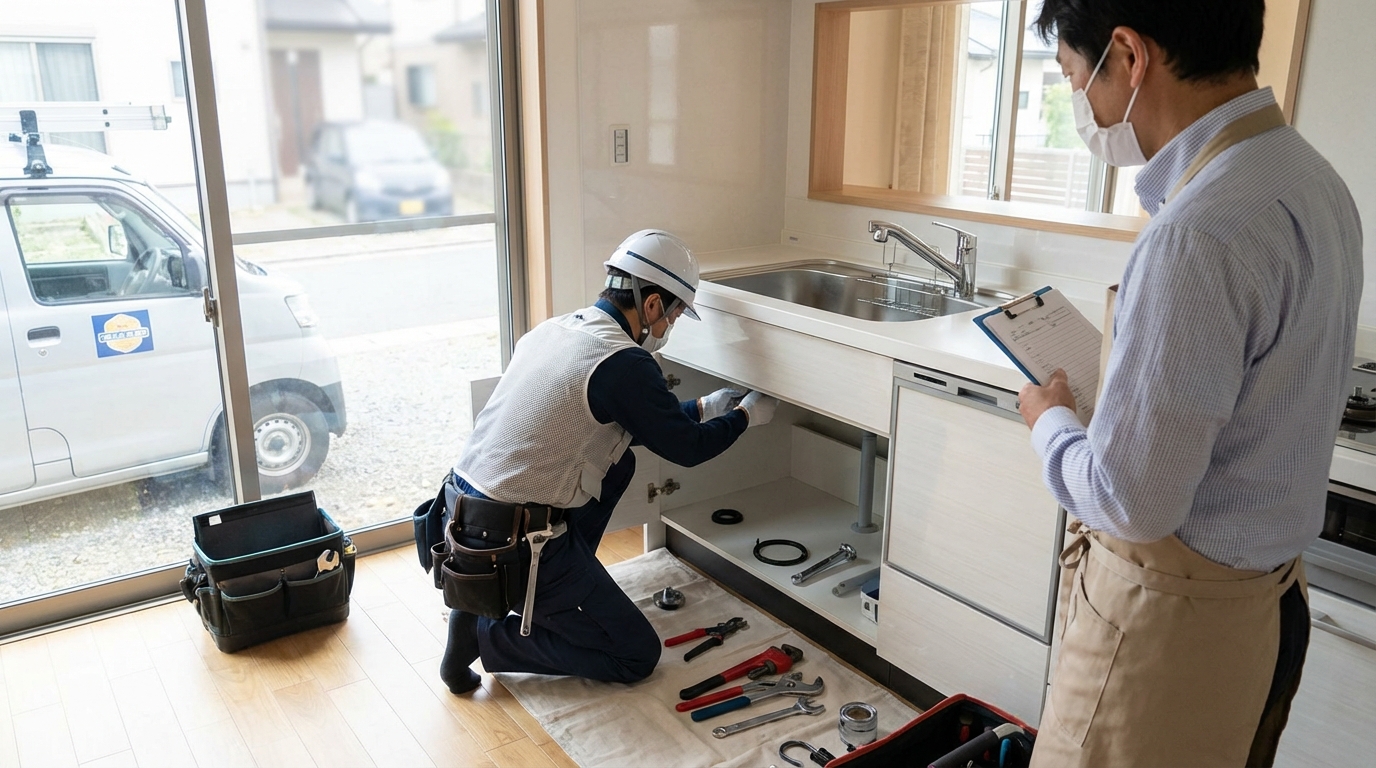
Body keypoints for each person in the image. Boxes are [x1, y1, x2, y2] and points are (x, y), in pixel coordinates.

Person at [1018, 2, 1362, 766]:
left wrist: (1051, 421)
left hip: (1172, 629)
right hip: (1270, 611)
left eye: (1077, 80)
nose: (1085, 108)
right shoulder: (1313, 179)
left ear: (1130, 56)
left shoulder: (1196, 234)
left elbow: (1132, 502)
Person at [434, 229, 778, 694]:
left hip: (462, 518)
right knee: (636, 654)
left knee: (618, 464)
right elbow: (689, 450)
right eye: (674, 314)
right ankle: (487, 634)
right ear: (652, 303)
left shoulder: (556, 329)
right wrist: (743, 417)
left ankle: (511, 600)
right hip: (518, 542)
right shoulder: (625, 363)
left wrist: (703, 408)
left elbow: (637, 421)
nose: (669, 327)